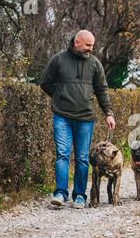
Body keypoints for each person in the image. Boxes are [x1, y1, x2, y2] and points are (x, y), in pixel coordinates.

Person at [40, 30, 116, 209]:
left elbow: (102, 90)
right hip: (62, 117)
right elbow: (45, 83)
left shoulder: (95, 64)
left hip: (85, 118)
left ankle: (80, 196)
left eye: (92, 46)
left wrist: (109, 113)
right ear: (77, 42)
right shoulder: (58, 60)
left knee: (82, 158)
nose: (91, 49)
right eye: (88, 45)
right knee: (62, 155)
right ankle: (60, 193)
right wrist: (59, 98)